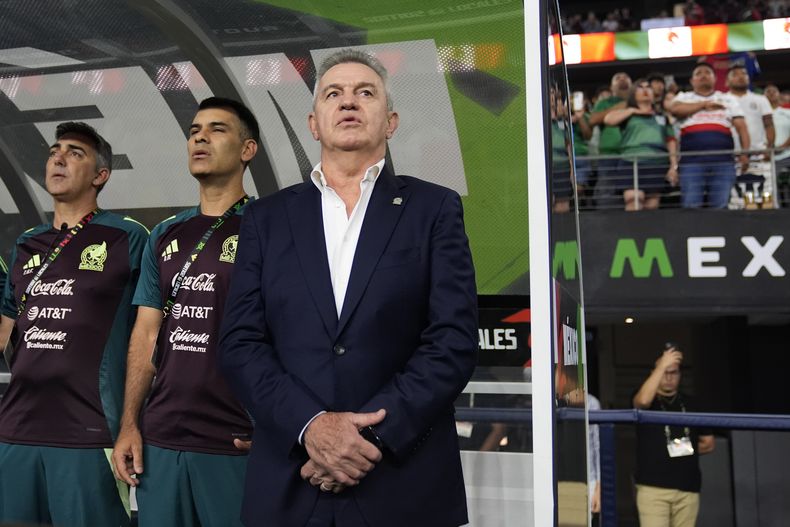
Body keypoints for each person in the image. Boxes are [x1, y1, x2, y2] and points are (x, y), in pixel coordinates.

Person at [219, 48, 478, 527]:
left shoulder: (434, 209)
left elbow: (452, 342)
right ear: (314, 123)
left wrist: (366, 440)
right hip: (293, 481)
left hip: (402, 483)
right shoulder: (265, 218)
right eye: (333, 94)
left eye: (366, 92)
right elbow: (240, 342)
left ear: (391, 120)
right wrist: (311, 427)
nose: (349, 102)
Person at [111, 97, 259, 527]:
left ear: (247, 150)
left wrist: (276, 427)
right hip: (160, 440)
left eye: (217, 129)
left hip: (234, 439)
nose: (199, 137)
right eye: (195, 130)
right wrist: (129, 425)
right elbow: (145, 336)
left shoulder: (268, 225)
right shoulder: (164, 233)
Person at [0, 122, 148, 527]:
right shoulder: (26, 243)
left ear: (101, 176)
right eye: (54, 151)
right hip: (15, 431)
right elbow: (5, 328)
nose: (58, 158)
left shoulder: (127, 238)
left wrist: (134, 422)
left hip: (90, 432)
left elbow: (151, 334)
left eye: (75, 153)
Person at [632, 345, 715, 527]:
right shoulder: (648, 399)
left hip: (688, 487)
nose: (669, 377)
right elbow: (642, 402)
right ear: (655, 372)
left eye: (674, 372)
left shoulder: (691, 403)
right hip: (653, 489)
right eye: (665, 371)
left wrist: (683, 448)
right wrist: (662, 365)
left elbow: (708, 443)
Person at [668, 62, 750, 208]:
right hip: (691, 162)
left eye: (707, 72)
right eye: (698, 73)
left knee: (721, 205)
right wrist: (703, 105)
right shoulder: (684, 97)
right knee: (691, 205)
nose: (703, 75)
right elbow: (675, 110)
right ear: (692, 81)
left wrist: (745, 153)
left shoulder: (727, 99)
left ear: (714, 79)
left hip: (723, 161)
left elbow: (742, 128)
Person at [604, 79, 679, 210]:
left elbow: (671, 141)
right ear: (634, 93)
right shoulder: (628, 114)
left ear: (653, 93)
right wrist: (633, 111)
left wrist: (673, 166)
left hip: (657, 163)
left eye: (648, 87)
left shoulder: (662, 116)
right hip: (630, 162)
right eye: (640, 87)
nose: (645, 90)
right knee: (634, 202)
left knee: (652, 207)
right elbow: (608, 120)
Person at [589, 72, 632, 207]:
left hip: (633, 155)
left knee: (632, 195)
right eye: (617, 78)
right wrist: (624, 105)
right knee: (607, 194)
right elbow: (593, 120)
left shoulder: (638, 100)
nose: (622, 79)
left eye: (625, 77)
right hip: (609, 156)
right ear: (611, 87)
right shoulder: (604, 103)